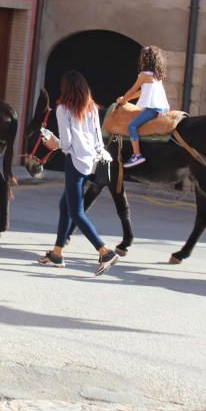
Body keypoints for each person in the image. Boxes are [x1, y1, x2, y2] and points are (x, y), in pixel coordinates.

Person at [38, 70, 120, 275]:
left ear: (66, 89)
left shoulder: (63, 109)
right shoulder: (91, 107)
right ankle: (56, 253)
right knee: (65, 205)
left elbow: (66, 144)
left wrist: (52, 143)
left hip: (74, 162)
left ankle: (105, 252)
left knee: (76, 212)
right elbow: (98, 138)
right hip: (90, 162)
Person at [117, 46, 170, 168]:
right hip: (162, 108)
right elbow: (141, 92)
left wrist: (123, 100)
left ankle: (137, 155)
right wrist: (126, 99)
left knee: (132, 126)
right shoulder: (156, 76)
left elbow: (133, 90)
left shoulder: (144, 76)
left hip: (154, 109)